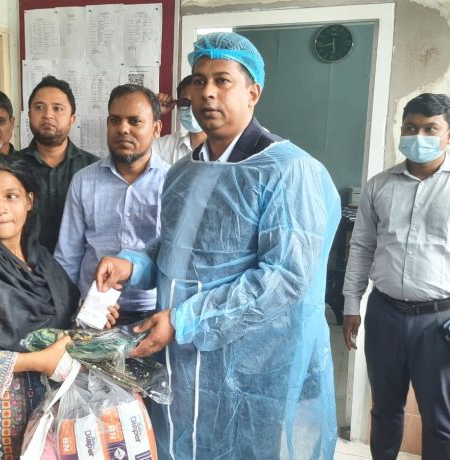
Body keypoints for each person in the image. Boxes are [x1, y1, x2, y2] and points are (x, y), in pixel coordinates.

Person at [95, 32, 340, 459]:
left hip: (248, 363)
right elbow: (177, 251)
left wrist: (186, 320)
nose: (206, 92)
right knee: (178, 444)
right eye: (199, 80)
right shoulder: (182, 173)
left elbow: (284, 277)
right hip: (178, 356)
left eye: (222, 80)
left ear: (253, 92)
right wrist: (133, 266)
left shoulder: (287, 171)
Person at [0, 153, 118, 459]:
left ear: (29, 201)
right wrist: (37, 361)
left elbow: (64, 325)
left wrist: (93, 317)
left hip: (47, 412)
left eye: (11, 196)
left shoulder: (42, 262)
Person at [342, 93, 450, 460]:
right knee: (385, 411)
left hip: (440, 321)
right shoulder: (379, 185)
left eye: (430, 129)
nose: (418, 136)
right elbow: (361, 247)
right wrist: (351, 304)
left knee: (441, 421)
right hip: (384, 314)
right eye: (410, 127)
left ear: (447, 134)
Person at [54, 84, 169, 325]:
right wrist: (71, 311)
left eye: (134, 121)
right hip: (91, 312)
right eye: (115, 120)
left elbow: (174, 256)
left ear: (156, 128)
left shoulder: (172, 183)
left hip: (152, 314)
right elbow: (68, 256)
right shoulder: (84, 181)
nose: (123, 129)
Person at [15, 76, 99, 253]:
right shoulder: (11, 167)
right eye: (39, 107)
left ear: (72, 119)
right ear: (29, 115)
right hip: (24, 266)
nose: (48, 115)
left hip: (78, 266)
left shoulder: (94, 169)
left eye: (58, 108)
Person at [154, 75, 207, 164]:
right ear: (177, 104)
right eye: (184, 103)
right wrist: (152, 109)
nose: (191, 110)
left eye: (198, 102)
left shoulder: (227, 149)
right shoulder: (165, 147)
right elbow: (134, 152)